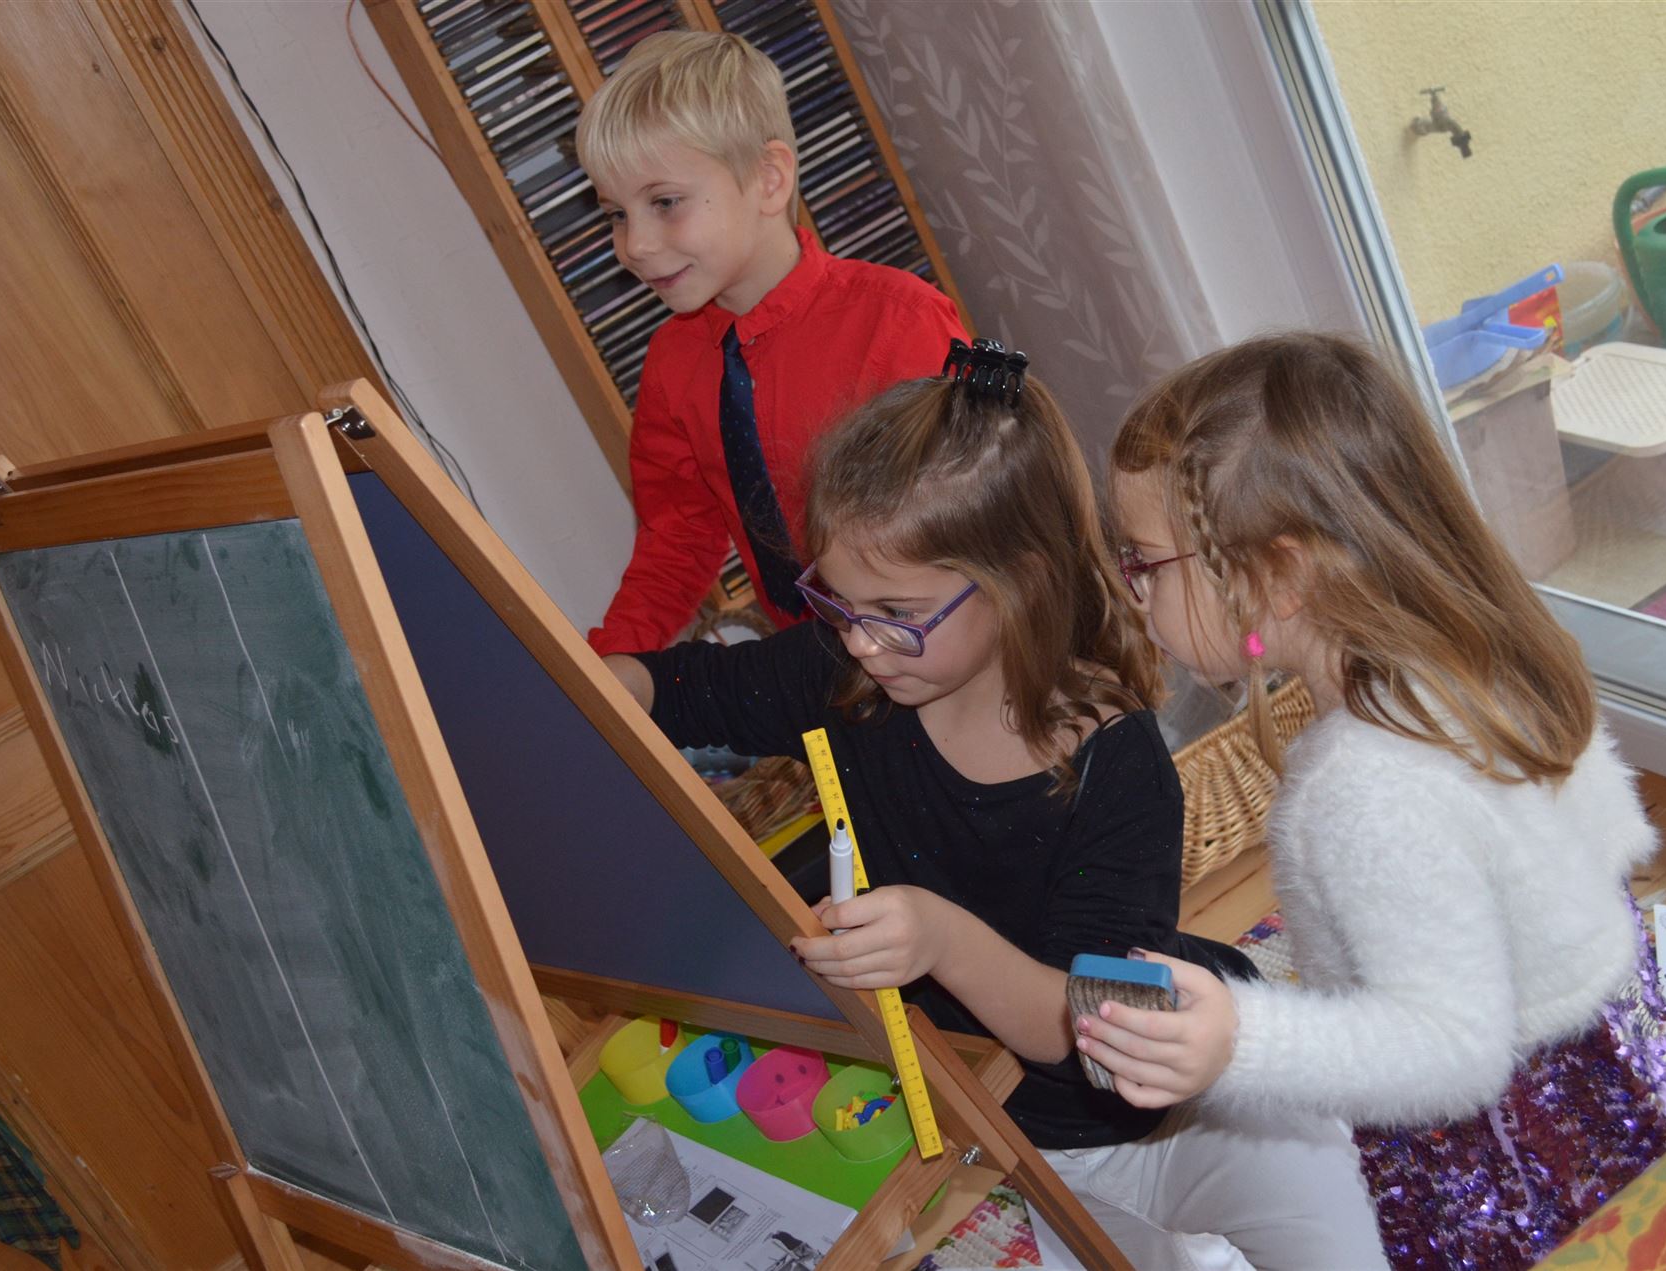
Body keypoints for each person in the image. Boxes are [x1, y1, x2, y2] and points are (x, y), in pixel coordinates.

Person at [607, 341, 1386, 1270]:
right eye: (838, 602)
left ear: (1022, 581)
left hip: (1207, 1097)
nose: (860, 642)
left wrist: (941, 939)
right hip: (1039, 1140)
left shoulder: (1117, 763)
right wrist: (576, 680)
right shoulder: (845, 672)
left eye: (898, 611)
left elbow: (1097, 1023)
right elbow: (682, 686)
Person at [1077, 331, 1666, 1269]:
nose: (1136, 595)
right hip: (1616, 1073)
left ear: (1279, 576)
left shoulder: (1366, 784)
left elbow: (1452, 1048)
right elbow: (1603, 840)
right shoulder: (1472, 653)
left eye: (1145, 563)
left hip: (1523, 1155)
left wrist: (1239, 1039)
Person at [575, 30, 965, 657]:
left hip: (940, 645)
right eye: (617, 214)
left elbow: (977, 517)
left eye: (665, 203)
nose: (635, 246)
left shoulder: (898, 322)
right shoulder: (674, 365)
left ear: (768, 178)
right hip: (814, 660)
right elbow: (677, 537)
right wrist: (610, 661)